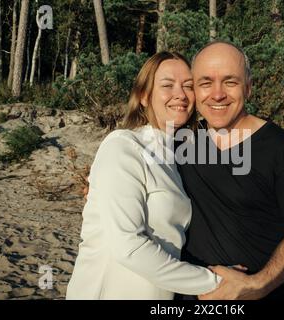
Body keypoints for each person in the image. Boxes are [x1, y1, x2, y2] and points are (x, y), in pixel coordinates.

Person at [66, 52, 222, 300]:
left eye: (188, 86)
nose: (180, 94)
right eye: (167, 85)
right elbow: (127, 246)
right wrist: (213, 283)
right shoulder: (123, 146)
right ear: (144, 96)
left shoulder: (177, 158)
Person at [177, 41, 284, 300]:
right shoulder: (180, 141)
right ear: (194, 90)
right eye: (205, 82)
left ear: (248, 87)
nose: (217, 94)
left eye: (230, 82)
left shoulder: (281, 148)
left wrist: (257, 285)